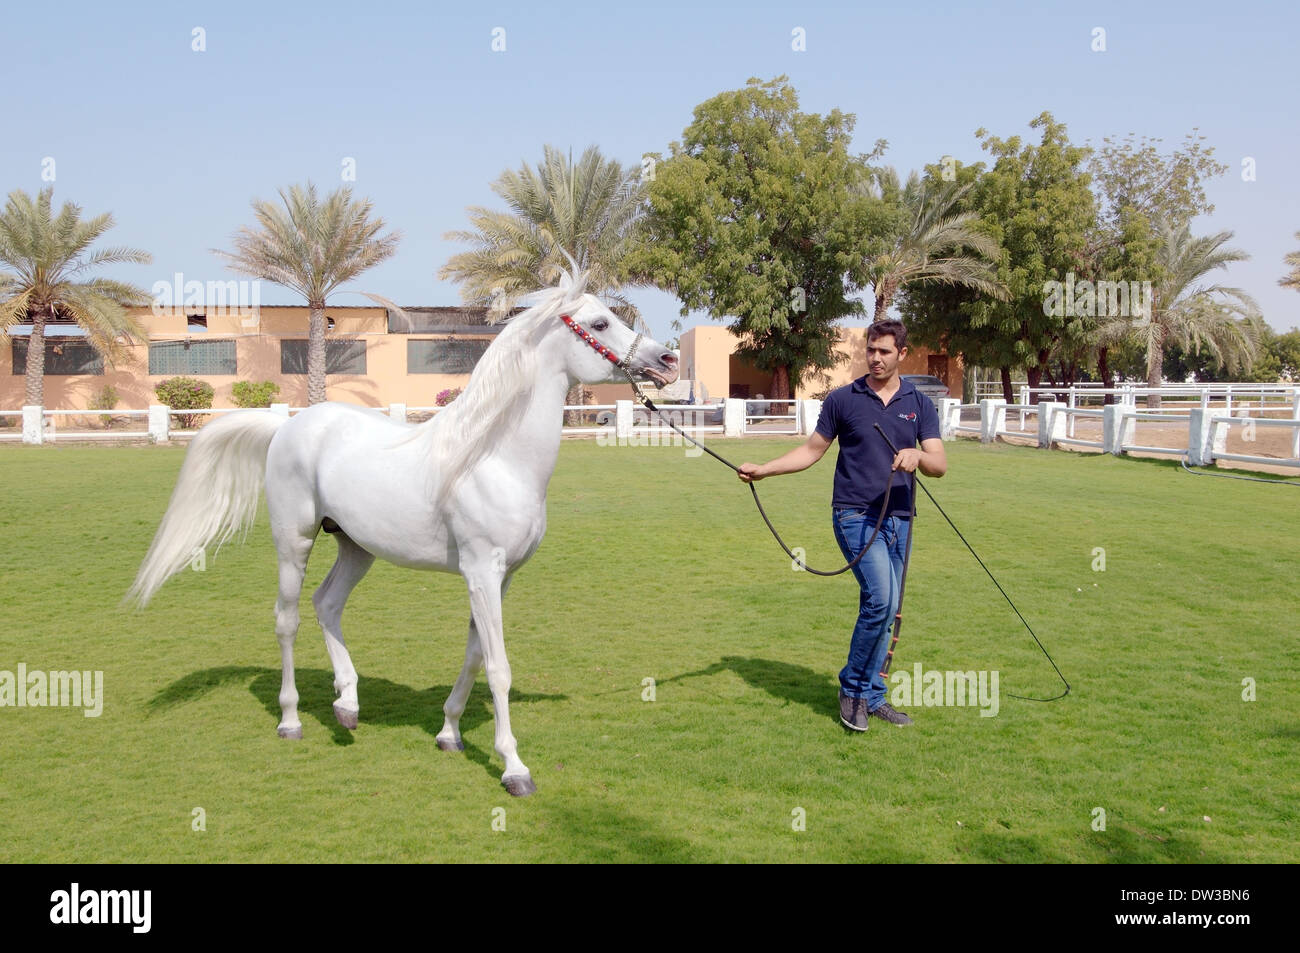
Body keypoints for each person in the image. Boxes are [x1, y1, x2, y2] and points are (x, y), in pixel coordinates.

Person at [738, 320, 947, 731]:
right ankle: (852, 690)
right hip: (854, 514)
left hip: (900, 517)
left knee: (889, 611)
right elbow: (812, 451)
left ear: (901, 353)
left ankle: (872, 696)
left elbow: (939, 463)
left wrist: (917, 457)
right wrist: (765, 470)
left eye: (885, 351)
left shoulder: (919, 404)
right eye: (871, 349)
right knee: (879, 599)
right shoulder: (843, 399)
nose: (876, 357)